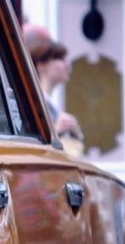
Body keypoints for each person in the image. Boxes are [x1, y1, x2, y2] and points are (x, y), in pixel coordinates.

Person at [23, 24, 85, 156]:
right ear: (41, 65)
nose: (67, 65)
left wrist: (76, 134)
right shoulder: (31, 103)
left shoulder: (51, 105)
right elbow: (27, 146)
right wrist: (57, 132)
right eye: (59, 59)